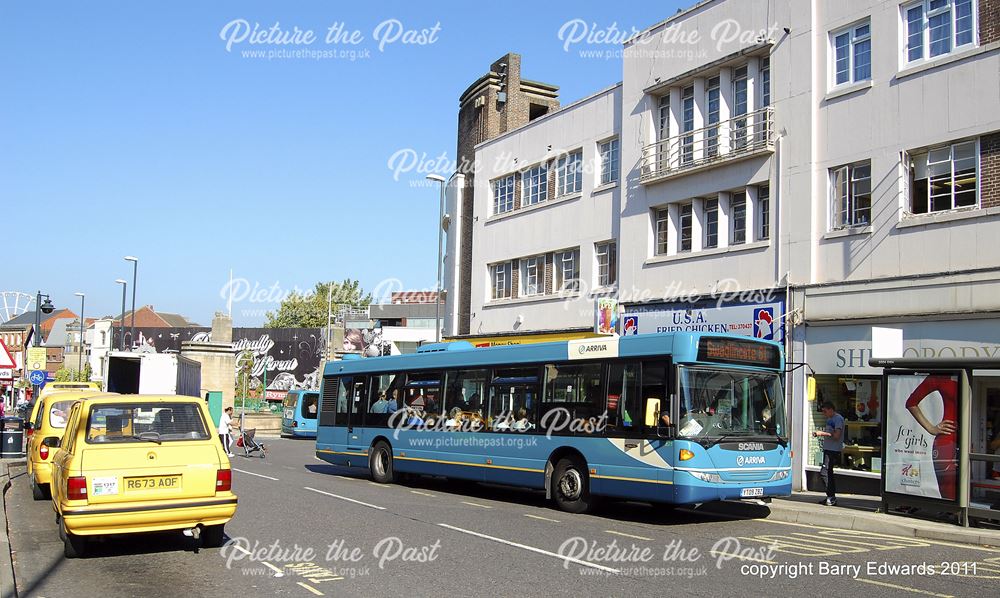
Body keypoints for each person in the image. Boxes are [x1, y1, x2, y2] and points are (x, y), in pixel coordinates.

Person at [904, 375, 958, 501]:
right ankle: (950, 514)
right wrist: (931, 428)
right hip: (948, 440)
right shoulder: (940, 376)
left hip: (971, 438)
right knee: (949, 490)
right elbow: (911, 403)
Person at [813, 400, 844, 506]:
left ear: (831, 410)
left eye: (825, 411)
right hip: (828, 449)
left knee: (824, 472)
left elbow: (836, 436)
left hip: (833, 450)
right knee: (828, 473)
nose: (823, 414)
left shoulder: (838, 419)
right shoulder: (830, 419)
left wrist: (822, 433)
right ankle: (830, 496)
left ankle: (831, 497)